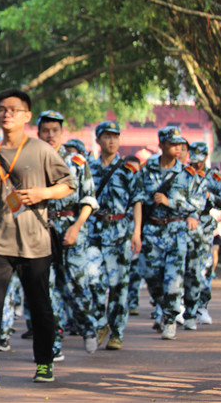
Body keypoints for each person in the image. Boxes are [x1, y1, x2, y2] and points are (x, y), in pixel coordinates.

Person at [0, 89, 74, 391]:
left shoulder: (41, 150)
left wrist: (43, 193)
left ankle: (44, 362)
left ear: (27, 116)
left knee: (39, 305)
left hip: (34, 242)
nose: (7, 114)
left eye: (14, 109)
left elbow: (68, 184)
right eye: (2, 109)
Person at [36, 110, 99, 357]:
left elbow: (89, 199)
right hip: (42, 230)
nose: (50, 135)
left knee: (76, 286)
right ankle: (54, 343)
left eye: (55, 130)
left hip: (72, 227)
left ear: (62, 133)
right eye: (45, 131)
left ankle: (89, 327)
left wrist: (76, 226)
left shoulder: (77, 162)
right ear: (38, 133)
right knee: (47, 289)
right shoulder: (32, 161)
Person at [138, 126, 204, 341]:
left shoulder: (187, 173)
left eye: (180, 144)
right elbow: (137, 198)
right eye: (172, 144)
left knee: (174, 279)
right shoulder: (147, 170)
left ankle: (169, 320)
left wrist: (171, 202)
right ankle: (161, 305)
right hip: (151, 230)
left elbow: (197, 204)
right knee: (151, 275)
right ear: (161, 145)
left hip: (176, 231)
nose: (178, 148)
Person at [86, 120, 144, 350]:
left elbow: (137, 201)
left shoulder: (128, 169)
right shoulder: (89, 168)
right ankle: (101, 323)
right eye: (107, 136)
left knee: (119, 285)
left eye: (115, 136)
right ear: (98, 140)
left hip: (120, 232)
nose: (111, 141)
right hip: (94, 231)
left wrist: (136, 232)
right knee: (92, 279)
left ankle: (117, 332)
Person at [182, 142, 221, 330]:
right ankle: (182, 307)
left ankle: (202, 307)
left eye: (200, 160)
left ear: (206, 157)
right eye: (194, 159)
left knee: (204, 270)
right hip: (184, 228)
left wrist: (209, 197)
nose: (197, 163)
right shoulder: (183, 174)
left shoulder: (214, 178)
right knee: (184, 269)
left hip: (206, 229)